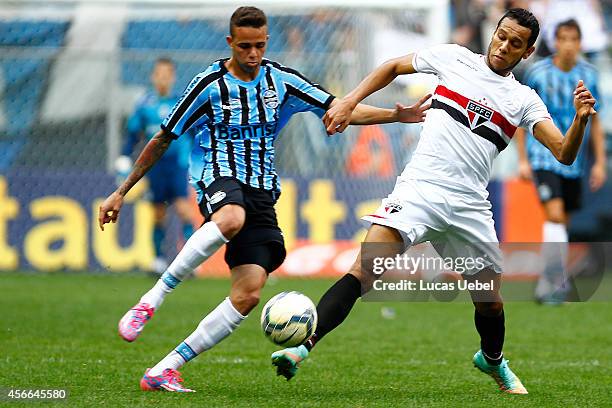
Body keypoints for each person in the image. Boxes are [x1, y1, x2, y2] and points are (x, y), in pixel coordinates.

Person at [98, 6, 430, 392]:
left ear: (266, 42)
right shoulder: (208, 84)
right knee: (231, 218)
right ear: (230, 43)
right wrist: (121, 191)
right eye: (244, 47)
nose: (252, 55)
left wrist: (395, 115)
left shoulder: (282, 81)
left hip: (262, 191)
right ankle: (151, 300)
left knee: (248, 293)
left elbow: (338, 108)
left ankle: (165, 368)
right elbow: (163, 137)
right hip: (217, 176)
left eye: (258, 46)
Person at [271, 8, 597, 395]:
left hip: (470, 206)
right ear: (493, 32)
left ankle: (492, 361)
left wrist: (579, 120)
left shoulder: (523, 99)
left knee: (490, 303)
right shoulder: (454, 58)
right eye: (502, 36)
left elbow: (563, 153)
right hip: (419, 190)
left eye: (515, 44)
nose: (504, 46)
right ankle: (300, 350)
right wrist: (348, 101)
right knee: (364, 270)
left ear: (526, 53)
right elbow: (393, 67)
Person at [515, 19, 605, 304]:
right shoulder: (537, 73)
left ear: (580, 44)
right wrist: (522, 160)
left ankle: (547, 284)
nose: (568, 45)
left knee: (561, 224)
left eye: (573, 39)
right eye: (562, 39)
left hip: (574, 161)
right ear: (555, 42)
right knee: (554, 216)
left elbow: (596, 120)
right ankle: (557, 283)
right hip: (543, 155)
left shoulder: (589, 75)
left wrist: (600, 162)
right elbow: (520, 116)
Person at [117, 57, 195, 274]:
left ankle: (190, 261)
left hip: (178, 163)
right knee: (158, 213)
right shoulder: (145, 106)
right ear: (153, 77)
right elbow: (133, 135)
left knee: (183, 208)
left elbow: (194, 132)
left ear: (173, 77)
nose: (163, 78)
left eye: (167, 74)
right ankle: (159, 259)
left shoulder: (181, 102)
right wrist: (124, 157)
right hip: (155, 166)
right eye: (159, 74)